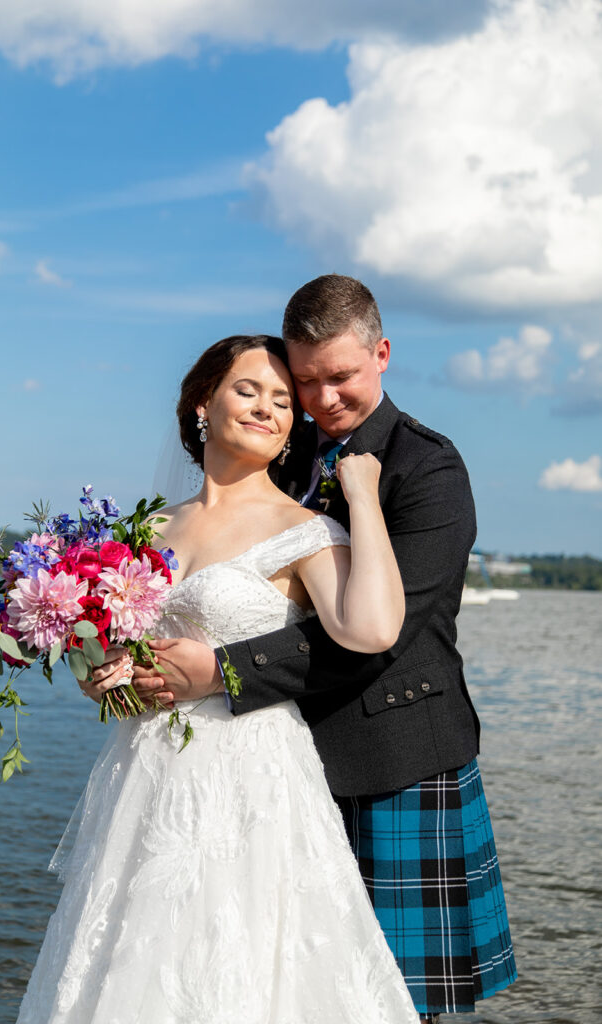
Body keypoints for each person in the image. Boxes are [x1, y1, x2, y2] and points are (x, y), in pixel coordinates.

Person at [129, 277, 517, 1022]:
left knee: (393, 1001)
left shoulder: (426, 470)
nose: (322, 397)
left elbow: (383, 637)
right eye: (304, 380)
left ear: (381, 353)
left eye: (340, 376)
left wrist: (221, 671)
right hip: (263, 763)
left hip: (391, 759)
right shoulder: (277, 444)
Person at [16, 333, 419, 1023]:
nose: (268, 409)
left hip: (250, 776)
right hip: (143, 775)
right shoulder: (146, 533)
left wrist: (363, 498)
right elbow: (126, 665)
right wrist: (105, 677)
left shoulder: (306, 529)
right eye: (248, 390)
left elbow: (373, 630)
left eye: (284, 402)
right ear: (204, 402)